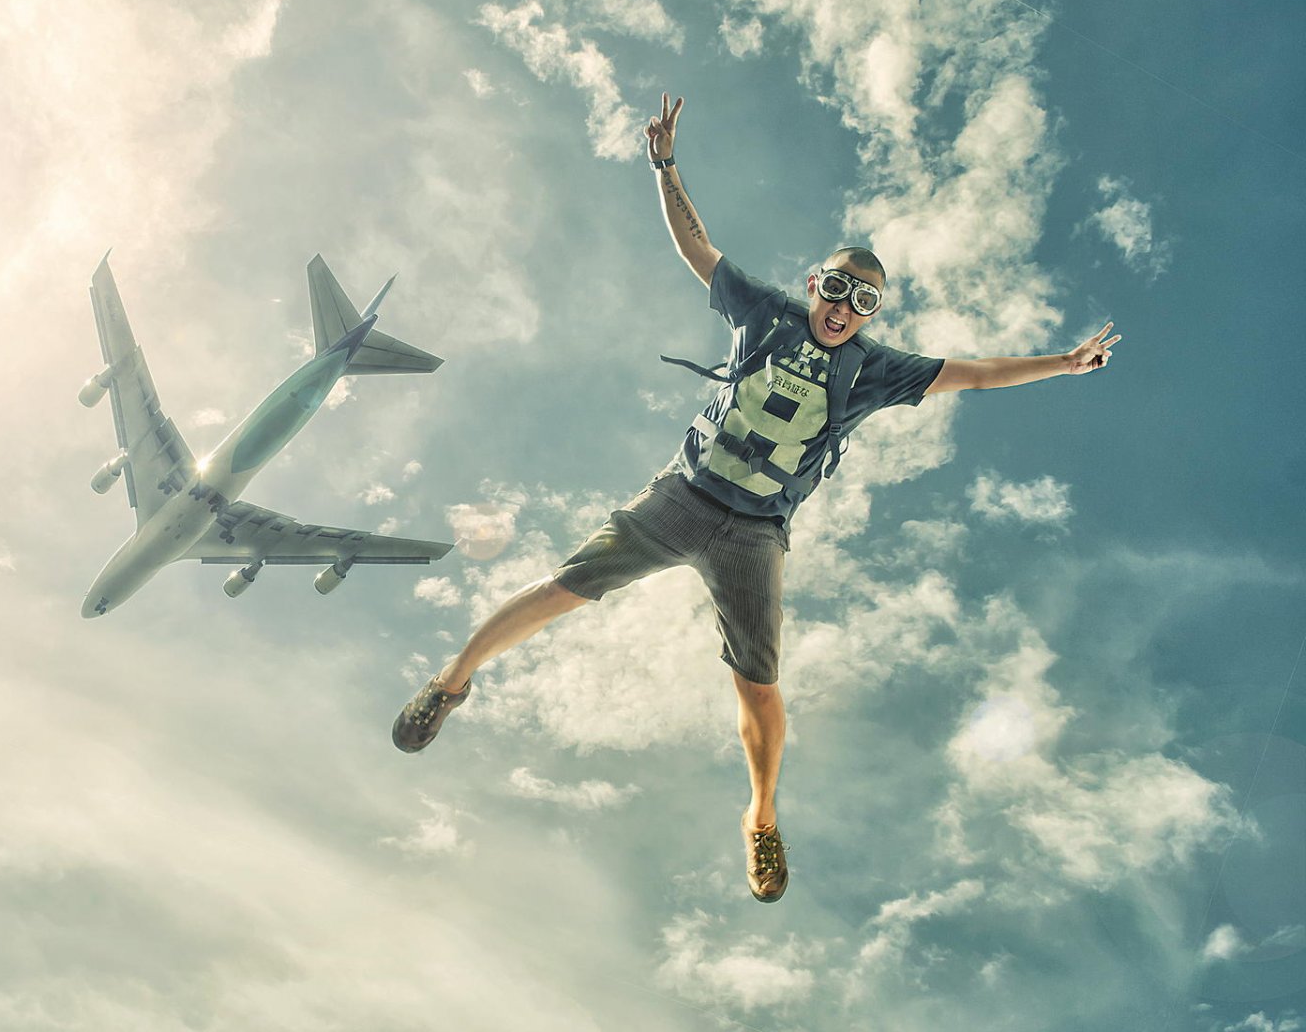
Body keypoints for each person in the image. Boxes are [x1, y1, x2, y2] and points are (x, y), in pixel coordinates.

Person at [393, 90, 1121, 903]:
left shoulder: (878, 369)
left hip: (755, 533)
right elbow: (697, 247)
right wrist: (665, 165)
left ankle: (762, 817)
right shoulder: (764, 310)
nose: (846, 309)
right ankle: (451, 681)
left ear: (876, 313)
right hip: (684, 495)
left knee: (760, 686)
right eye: (839, 289)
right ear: (816, 283)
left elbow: (976, 372)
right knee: (567, 586)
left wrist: (1062, 363)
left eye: (865, 301)